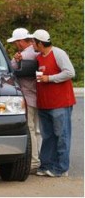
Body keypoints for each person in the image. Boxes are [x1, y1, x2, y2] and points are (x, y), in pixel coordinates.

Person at [32, 29, 76, 177]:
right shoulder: (38, 57)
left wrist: (49, 78)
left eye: (33, 42)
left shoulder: (58, 53)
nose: (32, 44)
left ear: (39, 43)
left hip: (60, 103)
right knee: (48, 136)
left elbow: (70, 72)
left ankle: (61, 168)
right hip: (44, 103)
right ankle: (46, 165)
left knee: (62, 135)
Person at [7, 28, 41, 173]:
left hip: (27, 96)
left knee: (30, 129)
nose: (15, 45)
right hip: (38, 96)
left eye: (15, 43)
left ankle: (33, 161)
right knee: (37, 130)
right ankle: (37, 157)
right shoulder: (37, 52)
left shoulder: (25, 55)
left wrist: (15, 59)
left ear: (21, 42)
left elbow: (10, 69)